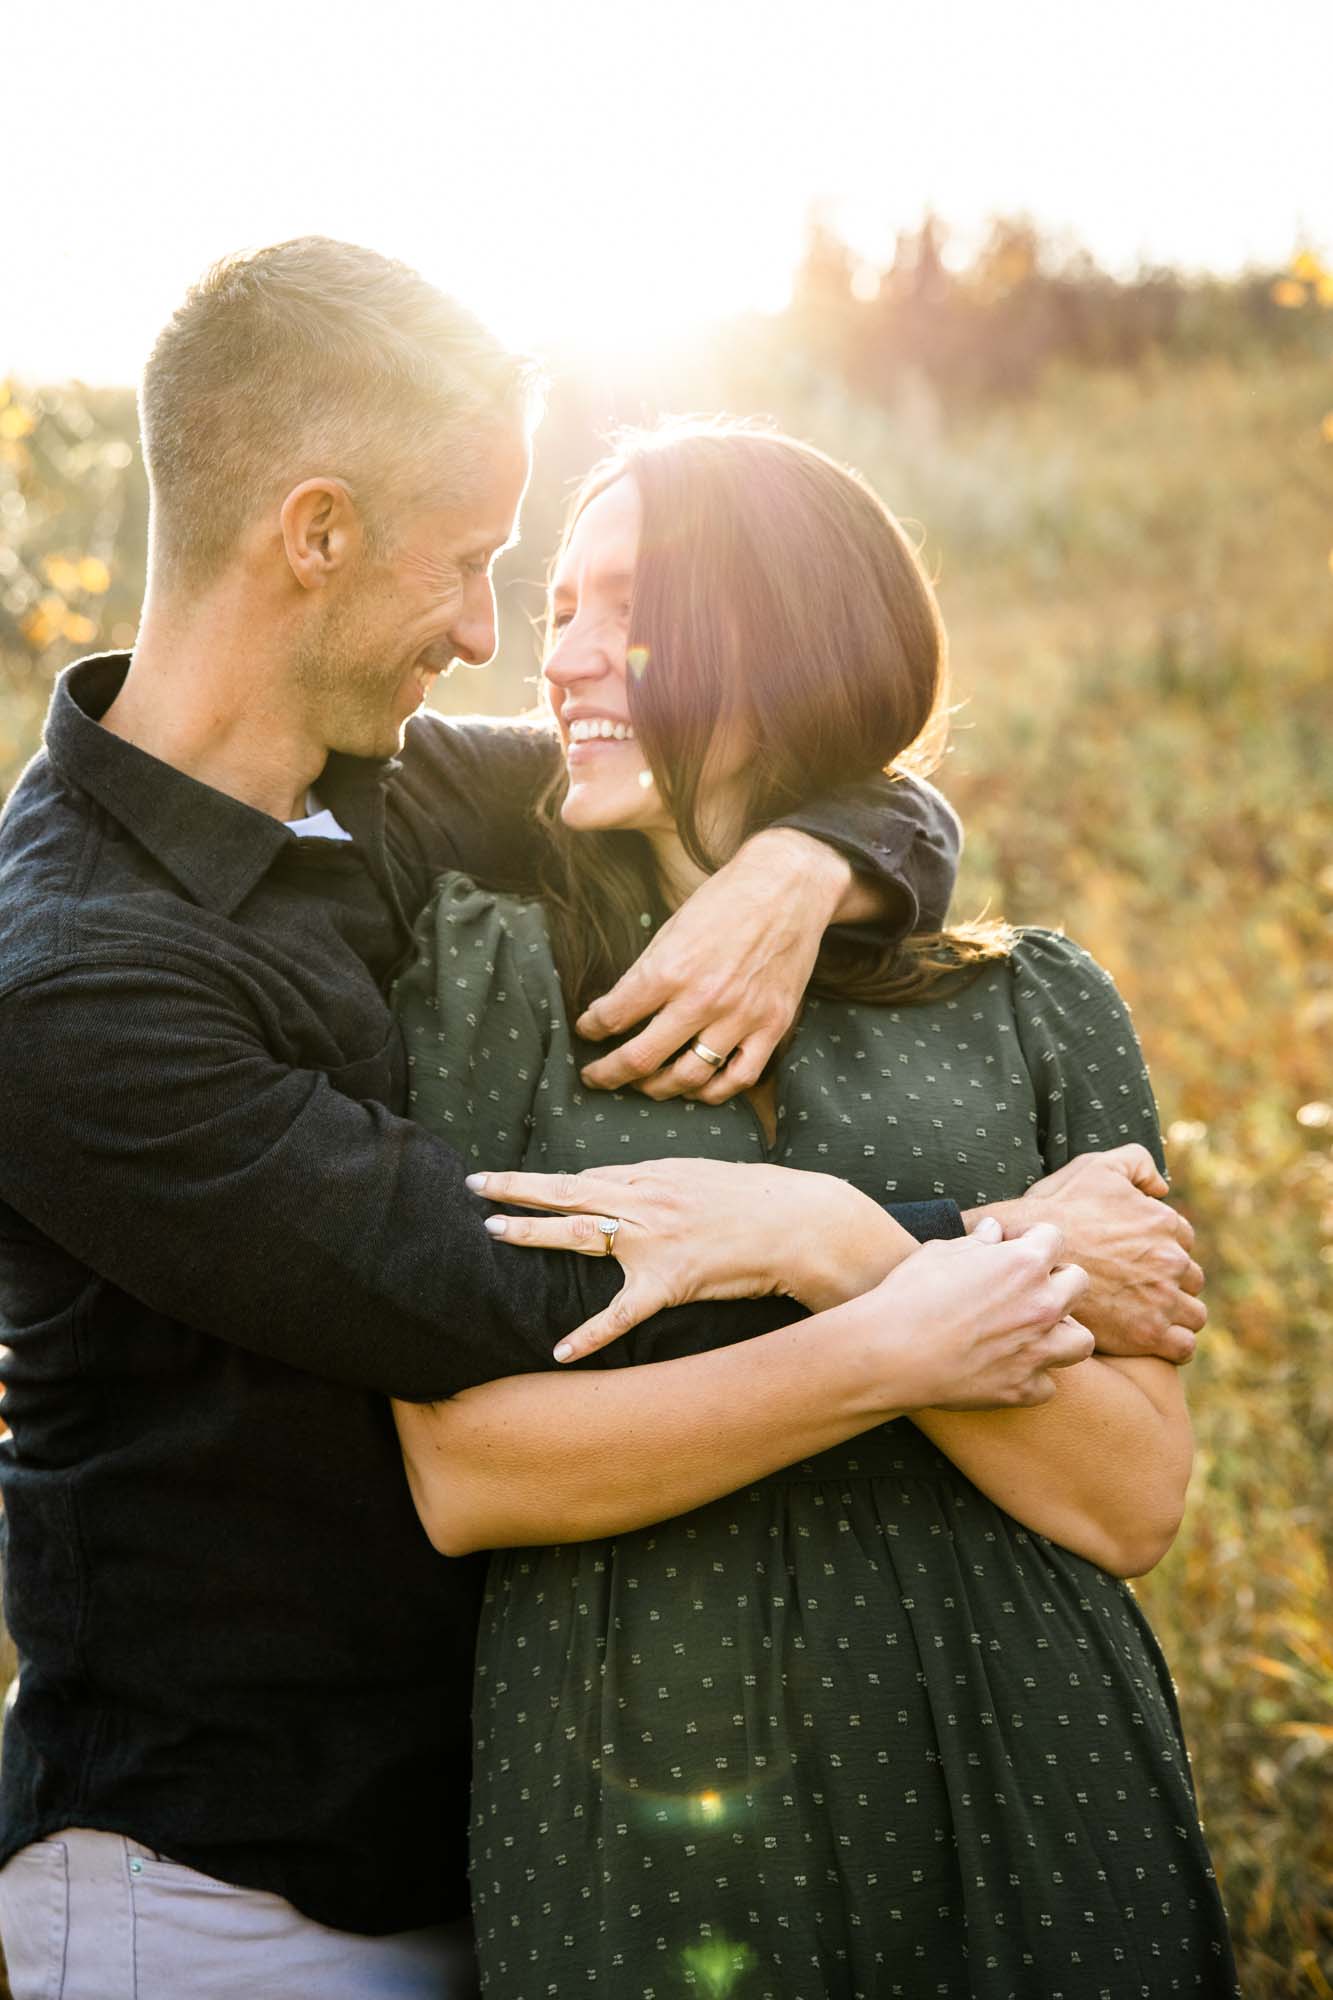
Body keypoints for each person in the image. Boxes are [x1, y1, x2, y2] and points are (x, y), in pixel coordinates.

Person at [0, 242, 1199, 1998]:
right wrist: (975, 1249)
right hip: (234, 1888)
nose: (489, 637)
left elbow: (777, 747)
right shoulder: (71, 984)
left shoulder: (390, 794)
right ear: (314, 533)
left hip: (514, 1836)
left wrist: (811, 864)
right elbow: (483, 1281)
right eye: (473, 565)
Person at [390, 424, 1237, 1996]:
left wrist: (834, 1240)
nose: (556, 657)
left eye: (621, 606)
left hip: (1033, 1769)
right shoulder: (491, 978)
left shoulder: (1037, 1005)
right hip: (639, 1791)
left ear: (788, 631)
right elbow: (468, 1471)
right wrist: (931, 1302)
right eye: (558, 609)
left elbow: (1126, 1502)